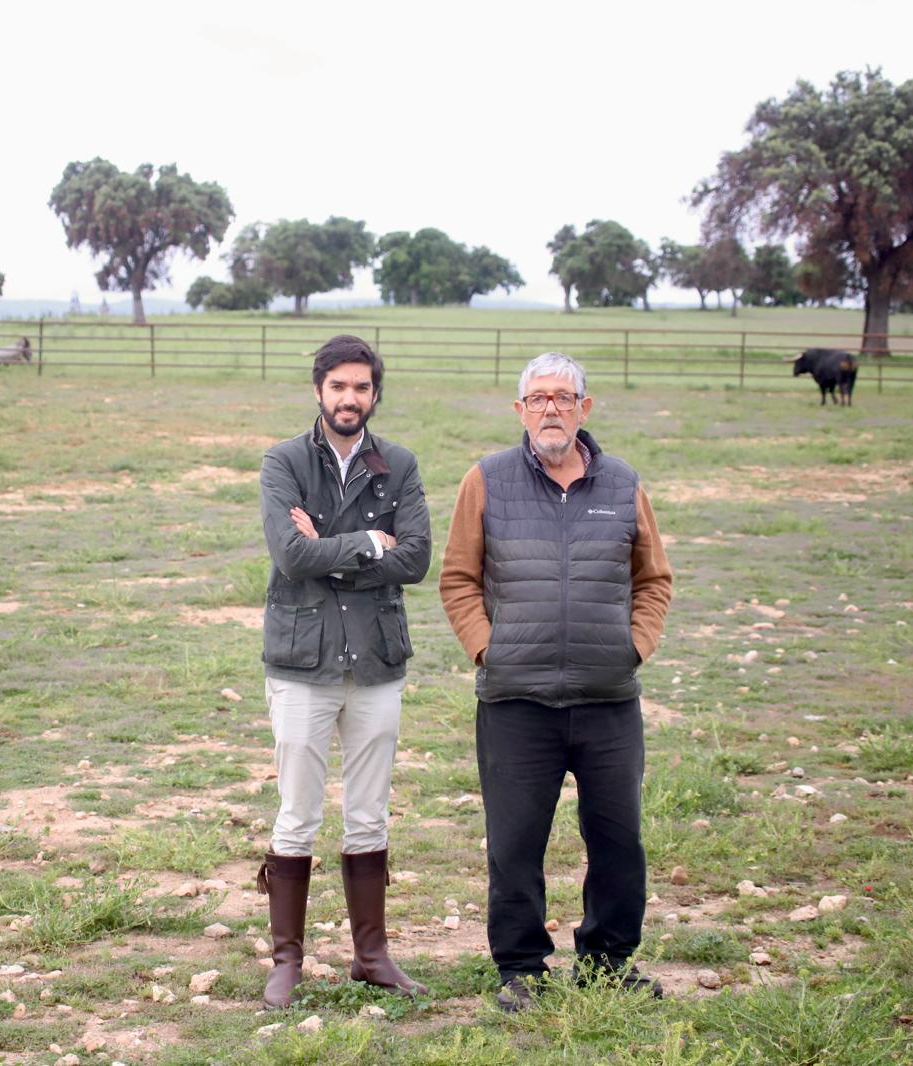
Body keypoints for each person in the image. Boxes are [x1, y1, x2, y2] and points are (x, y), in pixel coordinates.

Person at [438, 352, 673, 1011]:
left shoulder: (622, 483)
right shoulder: (484, 480)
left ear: (584, 408)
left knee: (618, 838)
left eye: (563, 397)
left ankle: (607, 962)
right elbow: (457, 578)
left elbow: (653, 579)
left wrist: (634, 646)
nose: (550, 408)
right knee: (515, 843)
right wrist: (489, 650)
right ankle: (522, 969)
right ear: (519, 410)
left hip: (607, 700)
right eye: (537, 398)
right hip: (516, 700)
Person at [254, 334, 432, 1009]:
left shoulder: (400, 466)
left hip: (377, 661)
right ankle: (286, 961)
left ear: (374, 394)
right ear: (318, 390)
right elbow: (290, 556)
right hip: (302, 661)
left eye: (361, 387)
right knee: (296, 812)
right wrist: (364, 542)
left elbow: (414, 559)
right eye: (338, 387)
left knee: (369, 813)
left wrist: (327, 547)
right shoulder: (284, 462)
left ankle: (371, 955)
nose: (349, 398)